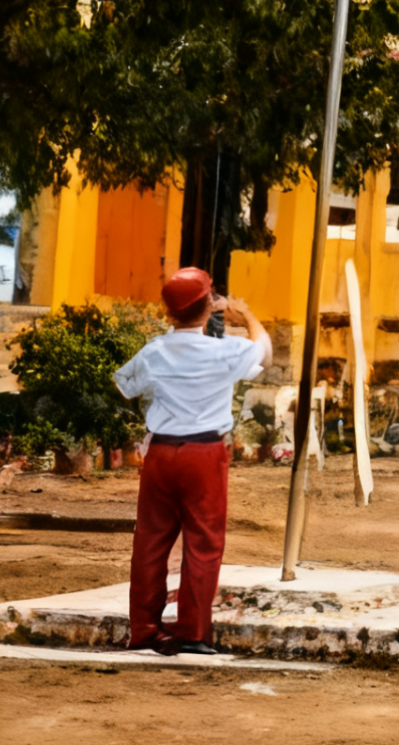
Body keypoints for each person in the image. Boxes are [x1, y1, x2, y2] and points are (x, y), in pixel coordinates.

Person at [111, 269, 271, 655]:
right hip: (203, 453)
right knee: (203, 543)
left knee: (150, 542)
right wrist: (244, 314)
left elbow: (125, 386)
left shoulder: (154, 350)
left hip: (161, 452)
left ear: (169, 313)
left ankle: (145, 629)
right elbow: (263, 350)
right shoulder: (225, 351)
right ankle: (192, 632)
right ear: (208, 308)